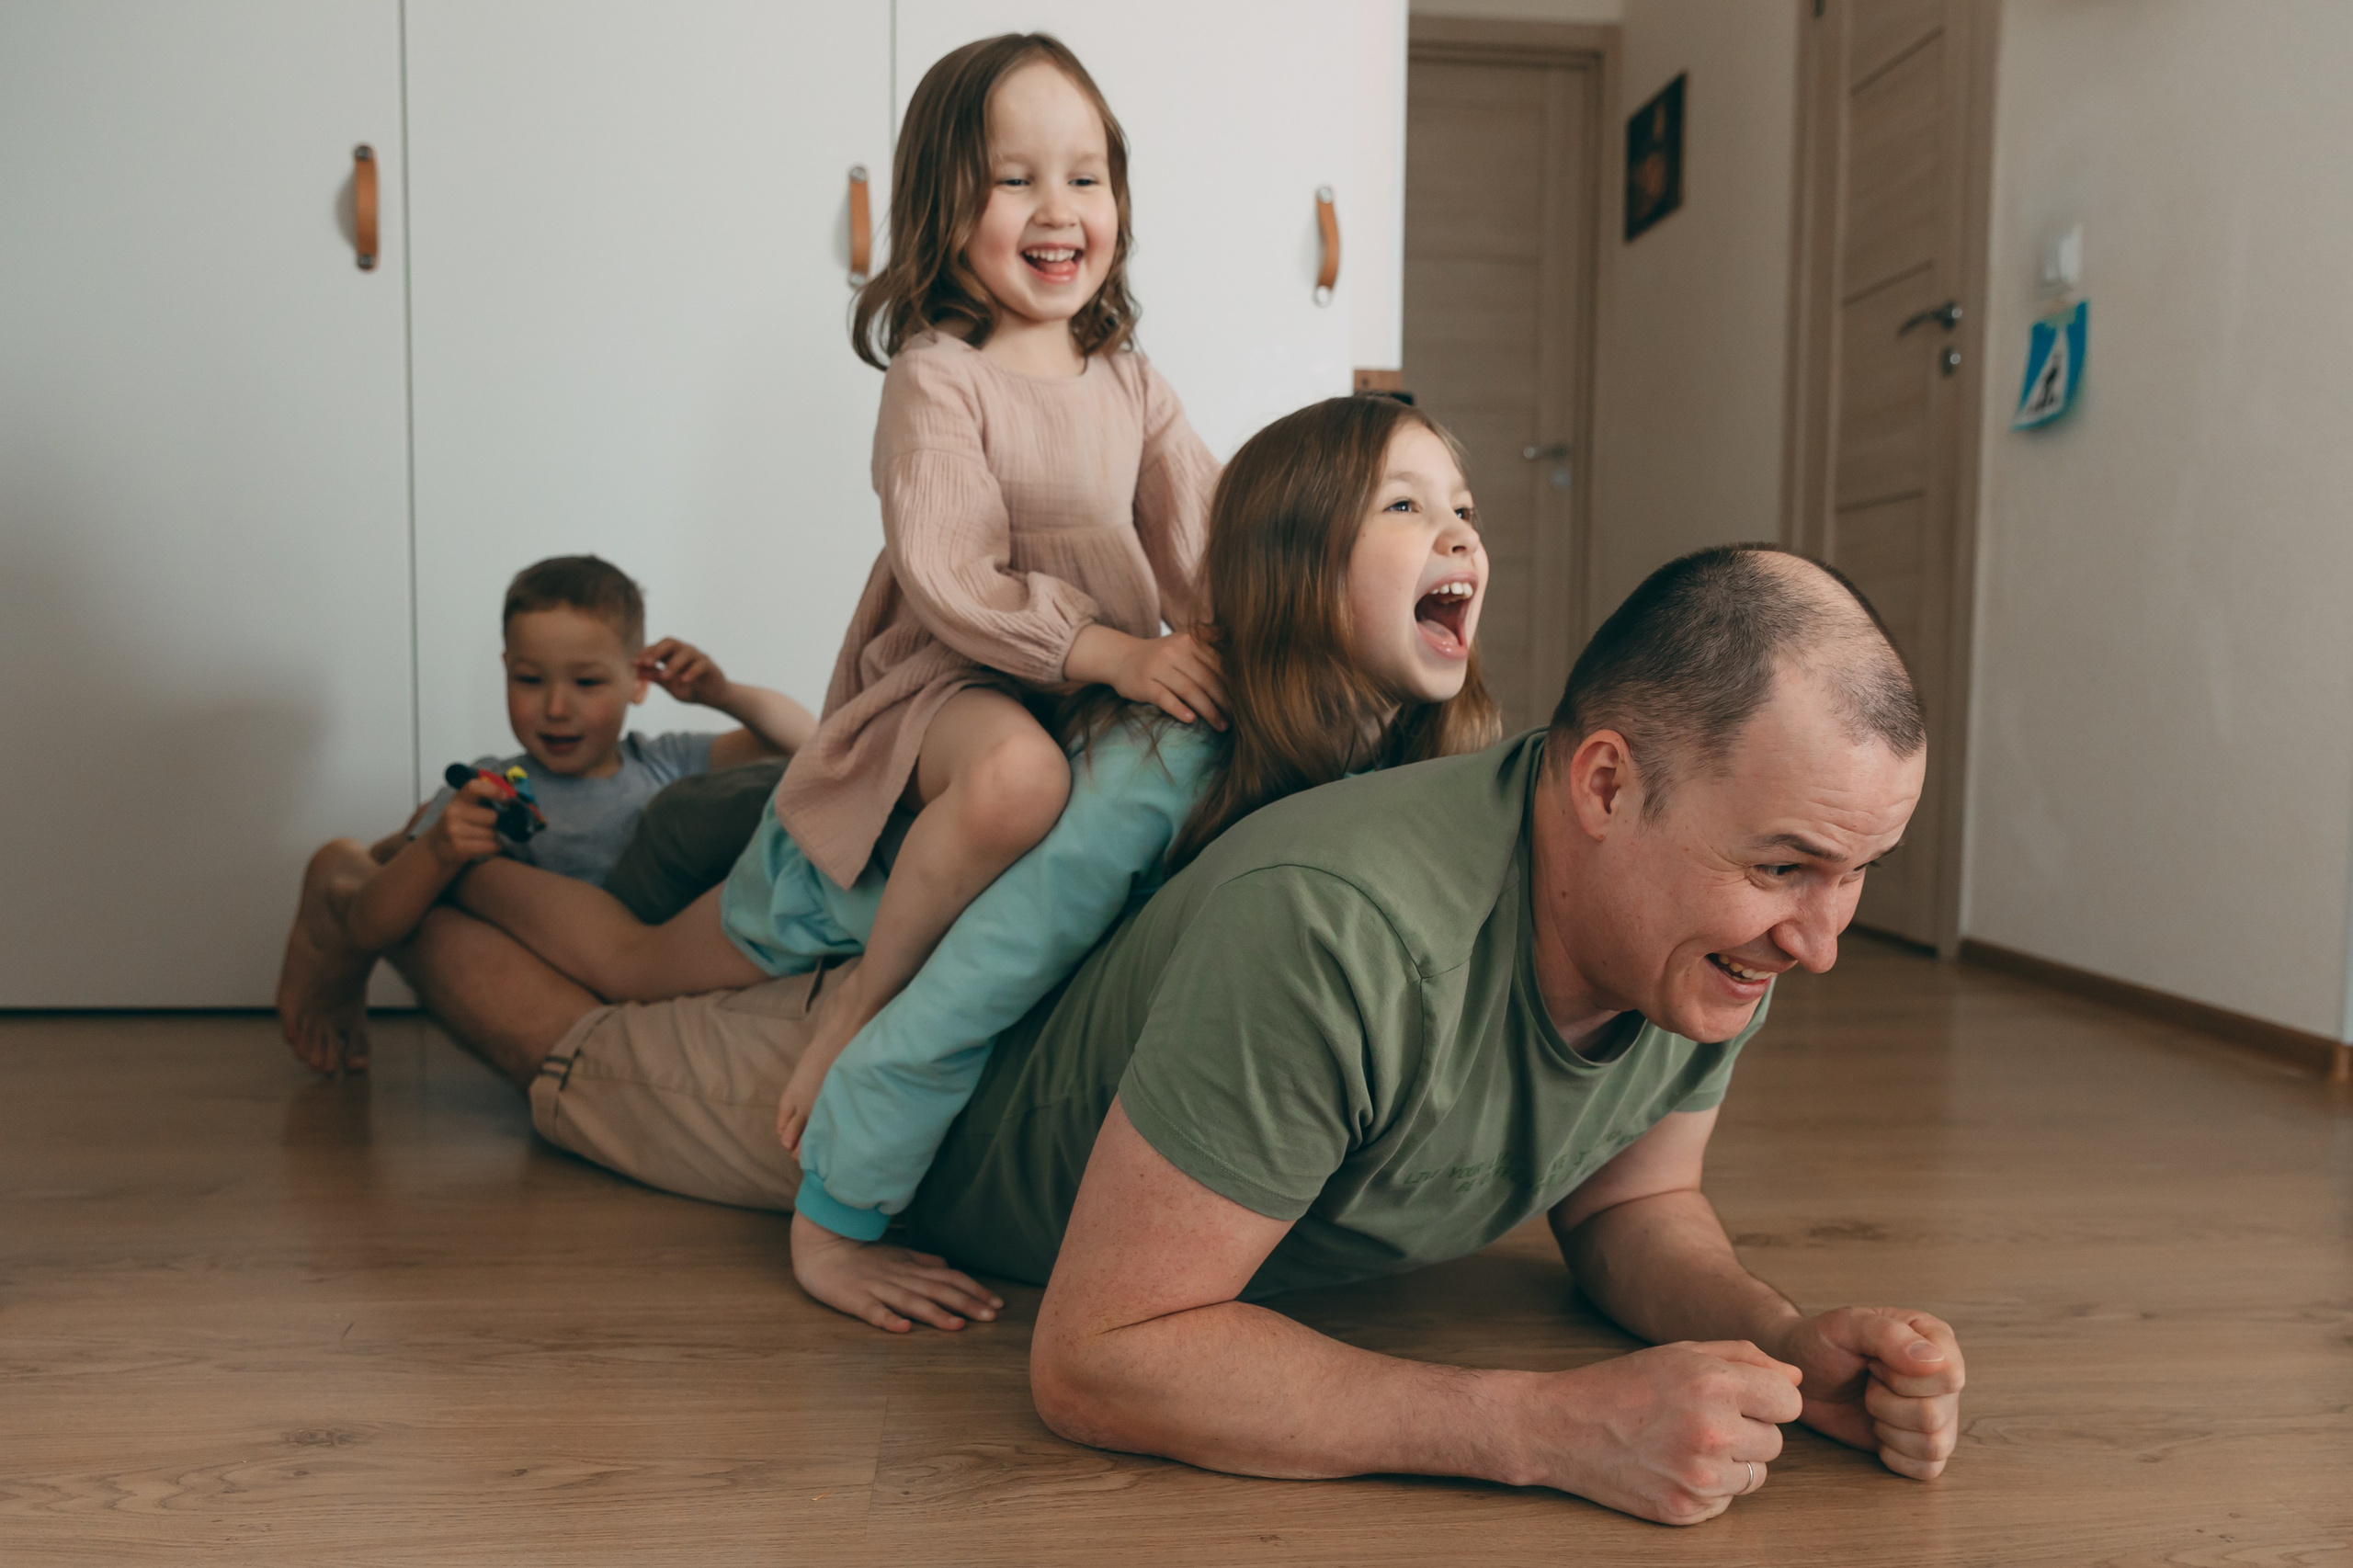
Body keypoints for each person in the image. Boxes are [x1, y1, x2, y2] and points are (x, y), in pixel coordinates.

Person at [388, 545, 1967, 1527]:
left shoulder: (1706, 932)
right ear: (1608, 786)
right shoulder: (1341, 928)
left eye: (1857, 878)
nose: (1823, 942)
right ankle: (383, 893)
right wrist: (1545, 1427)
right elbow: (1100, 1356)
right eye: (1787, 873)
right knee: (578, 1045)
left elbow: (1631, 1201)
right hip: (902, 1085)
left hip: (1020, 963)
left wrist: (1776, 1336)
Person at [440, 392, 1495, 1326]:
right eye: (1403, 505)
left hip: (935, 812)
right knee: (627, 967)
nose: (1455, 531)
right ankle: (460, 860)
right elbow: (980, 972)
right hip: (848, 885)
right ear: (1291, 560)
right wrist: (835, 1222)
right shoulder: (1170, 764)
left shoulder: (1412, 746)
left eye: (1461, 506)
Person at [438, 35, 1223, 1154]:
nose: (1058, 209)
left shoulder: (1133, 381)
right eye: (1015, 178)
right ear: (943, 205)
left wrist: (1243, 634)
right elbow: (952, 582)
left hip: (1079, 689)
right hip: (943, 695)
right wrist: (1117, 653)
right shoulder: (936, 375)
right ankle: (463, 879)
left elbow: (1204, 542)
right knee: (638, 961)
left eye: (1085, 176)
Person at [275, 553, 814, 1074]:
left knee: (754, 802)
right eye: (530, 680)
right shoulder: (486, 787)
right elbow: (372, 924)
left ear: (639, 681)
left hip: (663, 958)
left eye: (587, 683)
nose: (557, 708)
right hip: (572, 971)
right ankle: (340, 885)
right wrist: (438, 849)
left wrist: (723, 695)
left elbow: (804, 741)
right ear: (506, 670)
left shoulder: (665, 759)